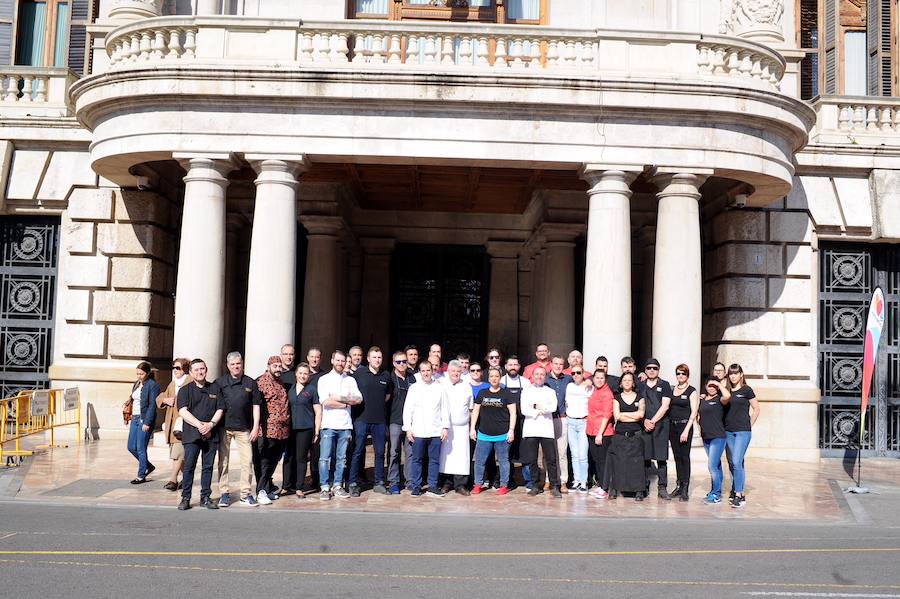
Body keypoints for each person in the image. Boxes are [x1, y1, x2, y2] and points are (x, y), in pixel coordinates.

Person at [215, 351, 262, 507]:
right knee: (224, 462)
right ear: (228, 366)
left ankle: (245, 494)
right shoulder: (220, 383)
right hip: (224, 428)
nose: (236, 366)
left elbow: (256, 407)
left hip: (244, 429)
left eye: (238, 364)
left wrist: (255, 427)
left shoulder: (251, 383)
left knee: (247, 462)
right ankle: (224, 494)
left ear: (242, 364)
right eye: (233, 364)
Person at [177, 359, 225, 510]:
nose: (200, 372)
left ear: (206, 370)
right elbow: (182, 411)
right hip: (192, 434)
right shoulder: (185, 390)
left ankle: (205, 497)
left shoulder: (215, 388)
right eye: (196, 369)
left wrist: (210, 424)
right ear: (191, 373)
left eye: (202, 369)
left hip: (211, 433)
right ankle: (185, 498)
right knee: (189, 466)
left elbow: (220, 409)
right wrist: (199, 425)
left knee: (208, 467)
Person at [317, 350, 362, 500]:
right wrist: (345, 404)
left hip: (345, 425)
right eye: (338, 360)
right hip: (329, 424)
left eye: (343, 361)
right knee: (325, 458)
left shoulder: (350, 380)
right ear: (332, 360)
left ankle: (337, 485)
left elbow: (358, 399)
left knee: (341, 458)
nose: (340, 363)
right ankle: (324, 487)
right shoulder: (323, 379)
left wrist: (338, 397)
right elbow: (326, 401)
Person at [403, 360, 450, 497]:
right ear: (419, 372)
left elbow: (445, 409)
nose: (426, 373)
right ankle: (416, 486)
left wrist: (445, 427)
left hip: (435, 430)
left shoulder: (440, 387)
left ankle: (433, 485)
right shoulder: (414, 388)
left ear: (432, 371)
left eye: (428, 370)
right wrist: (408, 429)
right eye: (423, 371)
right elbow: (408, 410)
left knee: (434, 460)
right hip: (418, 430)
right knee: (417, 459)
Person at [350, 346, 392, 496]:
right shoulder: (358, 374)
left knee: (380, 452)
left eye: (379, 357)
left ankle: (379, 482)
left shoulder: (386, 375)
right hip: (361, 419)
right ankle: (353, 483)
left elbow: (387, 397)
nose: (377, 360)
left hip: (379, 420)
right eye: (374, 357)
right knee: (358, 451)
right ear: (368, 359)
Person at [471, 366, 516, 495]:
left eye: (496, 376)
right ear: (488, 378)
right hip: (484, 434)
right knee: (479, 461)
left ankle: (503, 485)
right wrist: (472, 428)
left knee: (503, 461)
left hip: (502, 435)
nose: (494, 378)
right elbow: (475, 411)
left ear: (500, 378)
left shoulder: (506, 393)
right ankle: (478, 484)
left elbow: (513, 413)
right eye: (491, 376)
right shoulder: (482, 393)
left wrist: (511, 430)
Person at [520, 367, 562, 498]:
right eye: (537, 374)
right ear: (532, 376)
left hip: (546, 429)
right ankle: (535, 485)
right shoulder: (526, 391)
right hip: (531, 429)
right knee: (532, 459)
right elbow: (524, 409)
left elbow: (553, 407)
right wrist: (540, 409)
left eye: (542, 374)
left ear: (545, 376)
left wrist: (536, 406)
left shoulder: (550, 391)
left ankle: (555, 485)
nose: (539, 376)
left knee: (551, 459)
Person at [255, 356, 290, 506]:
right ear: (269, 365)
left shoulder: (280, 382)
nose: (278, 369)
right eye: (275, 366)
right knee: (265, 461)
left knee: (275, 460)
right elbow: (256, 405)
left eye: (279, 366)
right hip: (267, 429)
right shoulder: (261, 382)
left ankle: (268, 488)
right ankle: (260, 490)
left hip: (282, 430)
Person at [607, 372, 647, 501]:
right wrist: (633, 415)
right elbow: (617, 416)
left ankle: (639, 490)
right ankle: (615, 489)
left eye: (630, 380)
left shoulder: (640, 397)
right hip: (620, 435)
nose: (627, 382)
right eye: (625, 380)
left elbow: (641, 415)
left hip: (636, 434)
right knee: (619, 462)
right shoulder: (616, 398)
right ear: (621, 383)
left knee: (637, 464)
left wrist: (626, 415)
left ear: (633, 382)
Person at [725, 363, 759, 508]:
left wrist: (749, 425)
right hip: (728, 431)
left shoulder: (747, 390)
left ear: (741, 374)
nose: (733, 376)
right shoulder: (726, 391)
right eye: (730, 373)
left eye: (735, 373)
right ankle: (737, 490)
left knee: (737, 461)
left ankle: (739, 494)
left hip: (742, 432)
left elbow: (756, 408)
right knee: (734, 463)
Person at [287, 362, 322, 498]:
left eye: (305, 374)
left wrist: (317, 431)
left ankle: (299, 487)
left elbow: (318, 412)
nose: (302, 376)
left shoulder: (312, 390)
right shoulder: (290, 389)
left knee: (301, 458)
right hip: (290, 429)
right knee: (290, 457)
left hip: (305, 428)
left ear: (309, 375)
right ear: (296, 374)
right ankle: (287, 485)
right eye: (300, 373)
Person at [439, 360, 473, 495]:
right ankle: (447, 483)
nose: (456, 374)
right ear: (448, 372)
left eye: (458, 371)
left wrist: (471, 427)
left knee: (461, 458)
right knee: (446, 457)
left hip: (462, 428)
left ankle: (461, 485)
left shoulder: (466, 386)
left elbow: (471, 408)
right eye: (453, 371)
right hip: (446, 427)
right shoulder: (442, 385)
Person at [156, 358, 190, 491]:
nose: (175, 371)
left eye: (178, 368)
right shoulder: (173, 383)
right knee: (178, 454)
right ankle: (187, 477)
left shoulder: (189, 382)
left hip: (183, 424)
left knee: (178, 453)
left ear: (185, 369)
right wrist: (165, 400)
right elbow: (161, 396)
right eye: (174, 368)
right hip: (172, 423)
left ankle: (173, 480)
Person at [641, 358, 672, 500]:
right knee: (645, 457)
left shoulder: (664, 385)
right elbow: (637, 404)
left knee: (661, 458)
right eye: (649, 368)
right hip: (644, 425)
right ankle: (644, 486)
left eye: (655, 368)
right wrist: (644, 421)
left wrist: (652, 421)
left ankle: (662, 487)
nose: (652, 370)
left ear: (658, 370)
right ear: (645, 370)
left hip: (660, 426)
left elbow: (665, 406)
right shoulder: (640, 385)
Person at [668, 364, 699, 502]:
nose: (681, 376)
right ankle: (679, 485)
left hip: (684, 426)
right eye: (678, 373)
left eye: (683, 374)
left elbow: (694, 412)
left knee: (685, 457)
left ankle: (685, 487)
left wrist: (686, 430)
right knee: (677, 457)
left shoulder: (692, 391)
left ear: (688, 375)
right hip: (672, 427)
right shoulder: (672, 389)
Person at [126, 361, 160, 485]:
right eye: (137, 374)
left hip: (144, 419)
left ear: (148, 373)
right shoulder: (137, 384)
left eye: (141, 374)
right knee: (131, 447)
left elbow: (152, 405)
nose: (139, 376)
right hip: (134, 418)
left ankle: (141, 475)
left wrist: (147, 422)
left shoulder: (153, 385)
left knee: (141, 448)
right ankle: (148, 465)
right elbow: (133, 399)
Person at [501, 355, 531, 489]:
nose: (513, 367)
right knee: (507, 452)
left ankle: (528, 480)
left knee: (525, 451)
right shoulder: (501, 382)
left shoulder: (525, 382)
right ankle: (508, 479)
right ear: (506, 367)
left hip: (523, 422)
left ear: (519, 367)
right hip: (506, 422)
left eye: (515, 364)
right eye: (510, 364)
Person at [387, 350, 414, 494]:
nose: (402, 364)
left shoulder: (412, 378)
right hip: (395, 420)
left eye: (404, 361)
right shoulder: (389, 377)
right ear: (394, 363)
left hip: (410, 422)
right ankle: (393, 481)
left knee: (410, 452)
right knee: (394, 452)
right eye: (399, 362)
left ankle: (409, 481)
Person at [698, 377, 729, 504]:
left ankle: (716, 494)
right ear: (705, 386)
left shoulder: (720, 399)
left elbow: (727, 396)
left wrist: (718, 384)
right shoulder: (703, 399)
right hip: (706, 437)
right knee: (716, 465)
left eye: (714, 386)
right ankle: (716, 491)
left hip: (718, 437)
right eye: (709, 385)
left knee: (712, 466)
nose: (711, 388)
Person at [545, 356, 572, 492]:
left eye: (561, 364)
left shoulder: (568, 379)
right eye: (556, 363)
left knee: (562, 452)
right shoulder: (544, 379)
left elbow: (582, 382)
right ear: (551, 364)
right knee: (549, 452)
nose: (558, 366)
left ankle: (563, 481)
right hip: (547, 419)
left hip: (562, 418)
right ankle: (548, 480)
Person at [564, 364, 592, 492]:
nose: (576, 375)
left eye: (578, 373)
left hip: (583, 422)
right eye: (573, 373)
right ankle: (576, 480)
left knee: (582, 454)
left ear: (583, 373)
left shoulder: (588, 387)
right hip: (571, 421)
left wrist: (589, 381)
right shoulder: (569, 386)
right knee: (574, 454)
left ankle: (584, 482)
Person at [587, 370, 614, 499]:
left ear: (605, 379)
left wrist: (599, 434)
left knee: (603, 461)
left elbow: (606, 415)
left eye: (601, 378)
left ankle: (605, 487)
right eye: (597, 377)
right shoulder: (595, 390)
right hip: (592, 429)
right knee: (596, 459)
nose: (599, 380)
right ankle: (600, 485)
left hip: (603, 432)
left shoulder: (607, 393)